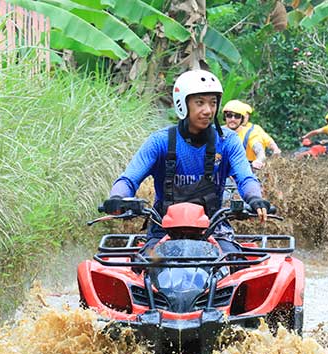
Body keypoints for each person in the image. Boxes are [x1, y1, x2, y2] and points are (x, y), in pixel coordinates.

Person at [101, 70, 270, 254]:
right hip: (163, 230)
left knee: (235, 267)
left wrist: (254, 198)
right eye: (200, 103)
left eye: (213, 103)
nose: (208, 110)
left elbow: (246, 178)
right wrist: (117, 198)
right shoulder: (159, 141)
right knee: (143, 268)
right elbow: (128, 179)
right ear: (182, 104)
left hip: (214, 229)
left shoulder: (228, 141)